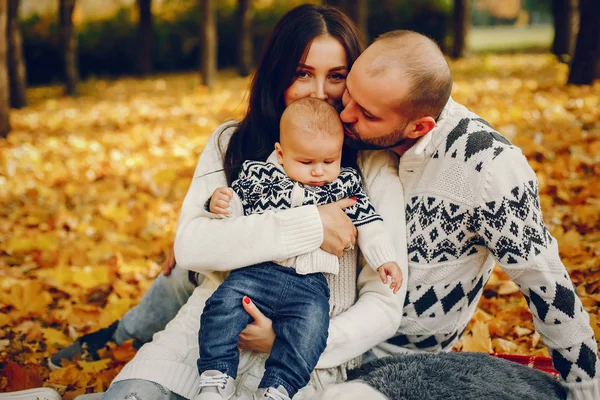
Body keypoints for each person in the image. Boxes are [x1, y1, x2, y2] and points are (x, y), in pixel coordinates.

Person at [313, 30, 599, 400]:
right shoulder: (341, 132)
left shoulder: (488, 168)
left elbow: (545, 285)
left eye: (367, 114)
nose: (345, 113)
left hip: (404, 364)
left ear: (420, 127)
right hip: (309, 333)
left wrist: (586, 390)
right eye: (349, 91)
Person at [196, 98, 403, 400]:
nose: (318, 172)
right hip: (257, 273)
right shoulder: (259, 176)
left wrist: (385, 259)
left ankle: (279, 387)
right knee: (221, 308)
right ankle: (216, 375)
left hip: (310, 285)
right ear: (280, 154)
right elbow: (235, 213)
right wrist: (219, 205)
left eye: (329, 161)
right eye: (306, 162)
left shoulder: (345, 184)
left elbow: (371, 224)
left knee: (310, 332)